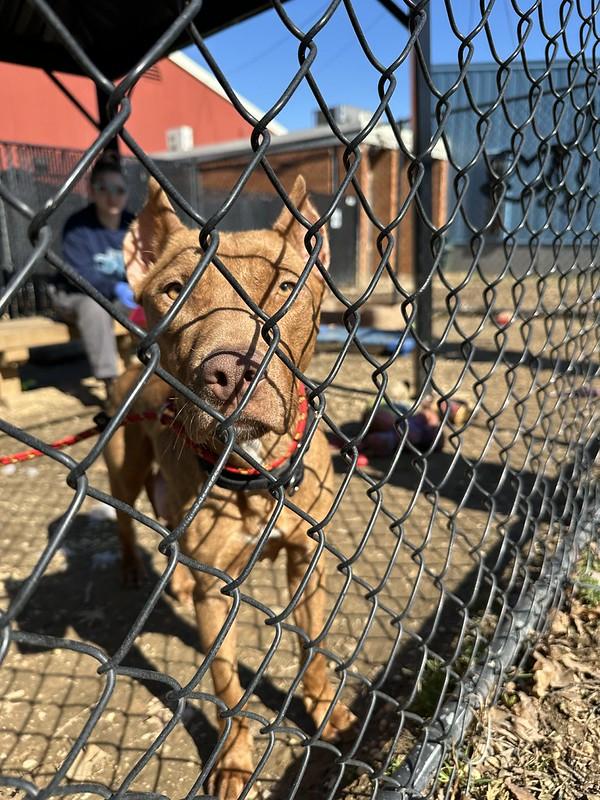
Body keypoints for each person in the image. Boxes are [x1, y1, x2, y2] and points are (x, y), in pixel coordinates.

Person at [50, 150, 137, 398]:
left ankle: (149, 368)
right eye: (103, 188)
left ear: (127, 194)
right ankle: (110, 385)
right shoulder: (78, 226)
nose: (112, 197)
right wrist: (116, 287)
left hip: (120, 298)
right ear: (91, 190)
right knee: (95, 307)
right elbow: (79, 277)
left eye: (119, 190)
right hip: (75, 295)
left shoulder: (133, 224)